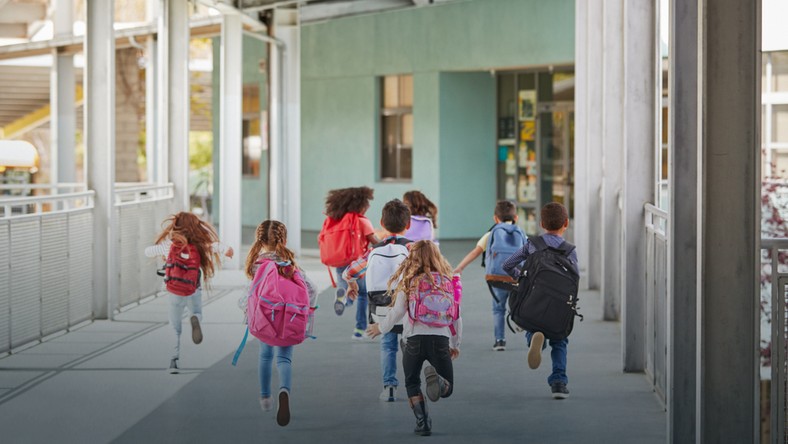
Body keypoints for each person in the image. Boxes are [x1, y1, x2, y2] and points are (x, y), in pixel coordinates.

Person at [367, 240, 462, 437]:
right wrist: (455, 344)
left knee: (412, 382)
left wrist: (381, 328)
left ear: (413, 258)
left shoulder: (409, 282)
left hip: (413, 341)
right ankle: (440, 382)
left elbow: (397, 312)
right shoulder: (446, 282)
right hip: (440, 340)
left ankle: (423, 422)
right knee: (449, 388)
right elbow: (456, 316)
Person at [244, 220, 318, 426]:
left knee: (265, 355)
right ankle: (284, 392)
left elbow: (250, 293)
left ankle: (265, 397)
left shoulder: (255, 265)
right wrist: (307, 312)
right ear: (284, 240)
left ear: (259, 241)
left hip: (265, 319)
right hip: (287, 319)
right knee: (284, 360)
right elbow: (311, 289)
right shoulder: (291, 266)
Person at [502, 202, 578, 399]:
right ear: (566, 223)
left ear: (542, 224)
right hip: (559, 308)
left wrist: (523, 277)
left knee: (532, 324)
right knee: (560, 340)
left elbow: (508, 265)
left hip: (533, 303)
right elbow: (573, 280)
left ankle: (535, 339)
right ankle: (559, 383)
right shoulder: (570, 250)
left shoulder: (533, 244)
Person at [144, 212, 234, 374]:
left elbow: (148, 251)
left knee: (174, 326)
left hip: (174, 291)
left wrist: (165, 255)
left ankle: (173, 361)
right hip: (193, 288)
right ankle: (194, 318)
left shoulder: (169, 245)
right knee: (197, 311)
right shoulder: (200, 245)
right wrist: (228, 252)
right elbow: (222, 248)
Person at [343, 199, 413, 402]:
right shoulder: (413, 248)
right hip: (408, 307)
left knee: (388, 345)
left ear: (382, 222)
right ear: (408, 225)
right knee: (409, 343)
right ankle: (413, 385)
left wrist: (351, 284)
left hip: (381, 307)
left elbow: (350, 272)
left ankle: (389, 387)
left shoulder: (374, 250)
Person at [453, 200, 524, 351]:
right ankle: (521, 322)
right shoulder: (521, 233)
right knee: (519, 305)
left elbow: (475, 252)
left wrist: (459, 267)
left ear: (495, 218)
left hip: (497, 277)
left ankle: (500, 341)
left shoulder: (492, 233)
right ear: (516, 218)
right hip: (517, 277)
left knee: (498, 309)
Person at [320, 186, 380, 339]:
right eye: (367, 203)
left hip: (340, 261)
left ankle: (343, 299)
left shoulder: (336, 220)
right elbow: (376, 242)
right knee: (362, 294)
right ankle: (359, 330)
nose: (369, 206)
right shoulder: (361, 221)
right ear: (360, 205)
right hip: (358, 264)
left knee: (345, 288)